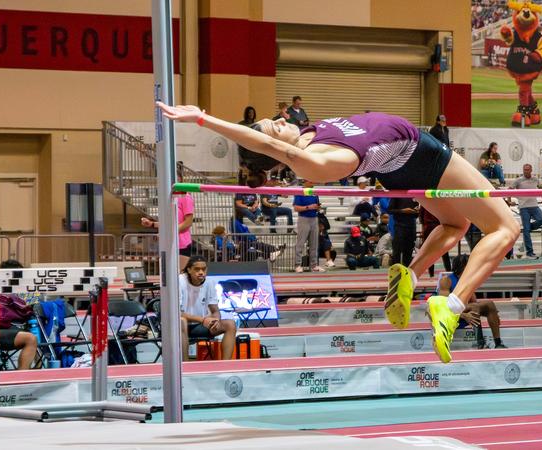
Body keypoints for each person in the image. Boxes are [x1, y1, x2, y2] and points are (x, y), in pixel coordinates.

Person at [156, 103, 521, 364]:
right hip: (420, 154)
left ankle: (408, 274)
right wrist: (203, 119)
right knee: (507, 227)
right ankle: (452, 304)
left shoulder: (311, 137)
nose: (281, 119)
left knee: (457, 224)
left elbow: (271, 142)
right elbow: (266, 146)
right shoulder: (316, 161)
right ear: (277, 150)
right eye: (274, 125)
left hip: (397, 165)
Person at [437, 254, 505, 349]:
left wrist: (493, 312)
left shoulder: (468, 281)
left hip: (465, 312)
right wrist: (464, 315)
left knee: (489, 304)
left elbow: (474, 301)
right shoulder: (446, 280)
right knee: (474, 307)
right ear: (463, 266)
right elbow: (444, 306)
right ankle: (480, 343)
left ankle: (498, 343)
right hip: (451, 315)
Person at [178, 255, 237, 360]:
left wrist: (215, 320)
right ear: (189, 270)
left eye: (203, 269)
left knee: (230, 324)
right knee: (181, 321)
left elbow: (215, 310)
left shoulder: (209, 282)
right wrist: (203, 319)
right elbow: (177, 313)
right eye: (197, 269)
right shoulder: (180, 281)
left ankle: (226, 365)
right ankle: (185, 364)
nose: (201, 272)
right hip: (180, 326)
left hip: (200, 326)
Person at [141, 163, 194, 270]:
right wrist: (152, 224)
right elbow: (169, 224)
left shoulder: (185, 197)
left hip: (182, 244)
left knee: (179, 275)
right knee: (167, 276)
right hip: (168, 243)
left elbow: (188, 222)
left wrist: (169, 233)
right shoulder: (169, 199)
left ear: (179, 179)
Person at [510, 164, 542, 259]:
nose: (526, 171)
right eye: (524, 170)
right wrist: (509, 201)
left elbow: (540, 188)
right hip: (523, 207)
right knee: (526, 231)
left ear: (531, 170)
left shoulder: (535, 179)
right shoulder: (518, 180)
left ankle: (527, 229)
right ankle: (530, 253)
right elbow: (509, 190)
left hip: (534, 206)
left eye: (527, 170)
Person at [293, 179, 324, 272]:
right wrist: (308, 207)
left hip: (314, 218)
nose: (312, 183)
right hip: (303, 219)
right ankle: (297, 265)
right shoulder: (300, 192)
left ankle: (314, 265)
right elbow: (296, 208)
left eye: (312, 181)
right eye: (310, 181)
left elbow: (317, 206)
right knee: (300, 243)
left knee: (314, 244)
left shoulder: (314, 193)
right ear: (305, 182)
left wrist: (318, 208)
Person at [420, 207, 451, 277]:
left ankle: (431, 275)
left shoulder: (425, 202)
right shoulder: (441, 202)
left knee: (430, 253)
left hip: (428, 228)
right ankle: (449, 272)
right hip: (440, 227)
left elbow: (421, 218)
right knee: (445, 252)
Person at [388, 197, 419, 268]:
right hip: (400, 225)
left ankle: (407, 270)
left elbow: (416, 214)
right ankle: (396, 271)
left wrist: (416, 211)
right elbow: (389, 210)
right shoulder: (398, 194)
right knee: (397, 250)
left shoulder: (413, 195)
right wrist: (402, 211)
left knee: (409, 250)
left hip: (411, 226)